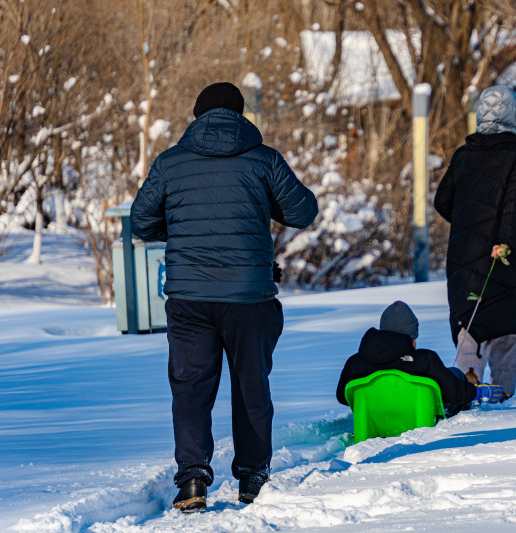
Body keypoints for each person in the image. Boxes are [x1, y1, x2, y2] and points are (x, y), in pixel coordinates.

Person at [130, 82, 318, 512]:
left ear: (196, 118)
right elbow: (304, 212)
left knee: (191, 388)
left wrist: (178, 230)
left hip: (189, 296)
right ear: (241, 117)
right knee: (251, 386)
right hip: (249, 295)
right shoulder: (264, 158)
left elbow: (141, 222)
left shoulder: (170, 163)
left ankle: (193, 478)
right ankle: (252, 477)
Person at [434, 85, 516, 403]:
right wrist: (503, 239)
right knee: (505, 331)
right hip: (502, 258)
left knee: (471, 329)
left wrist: (469, 224)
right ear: (515, 118)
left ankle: (464, 397)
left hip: (464, 261)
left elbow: (442, 202)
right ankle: (501, 398)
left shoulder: (463, 156)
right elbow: (513, 204)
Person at [336, 301, 502, 417]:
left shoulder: (355, 362)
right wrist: (479, 391)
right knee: (455, 375)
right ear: (411, 338)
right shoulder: (424, 360)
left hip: (374, 420)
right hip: (418, 421)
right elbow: (455, 393)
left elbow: (343, 397)